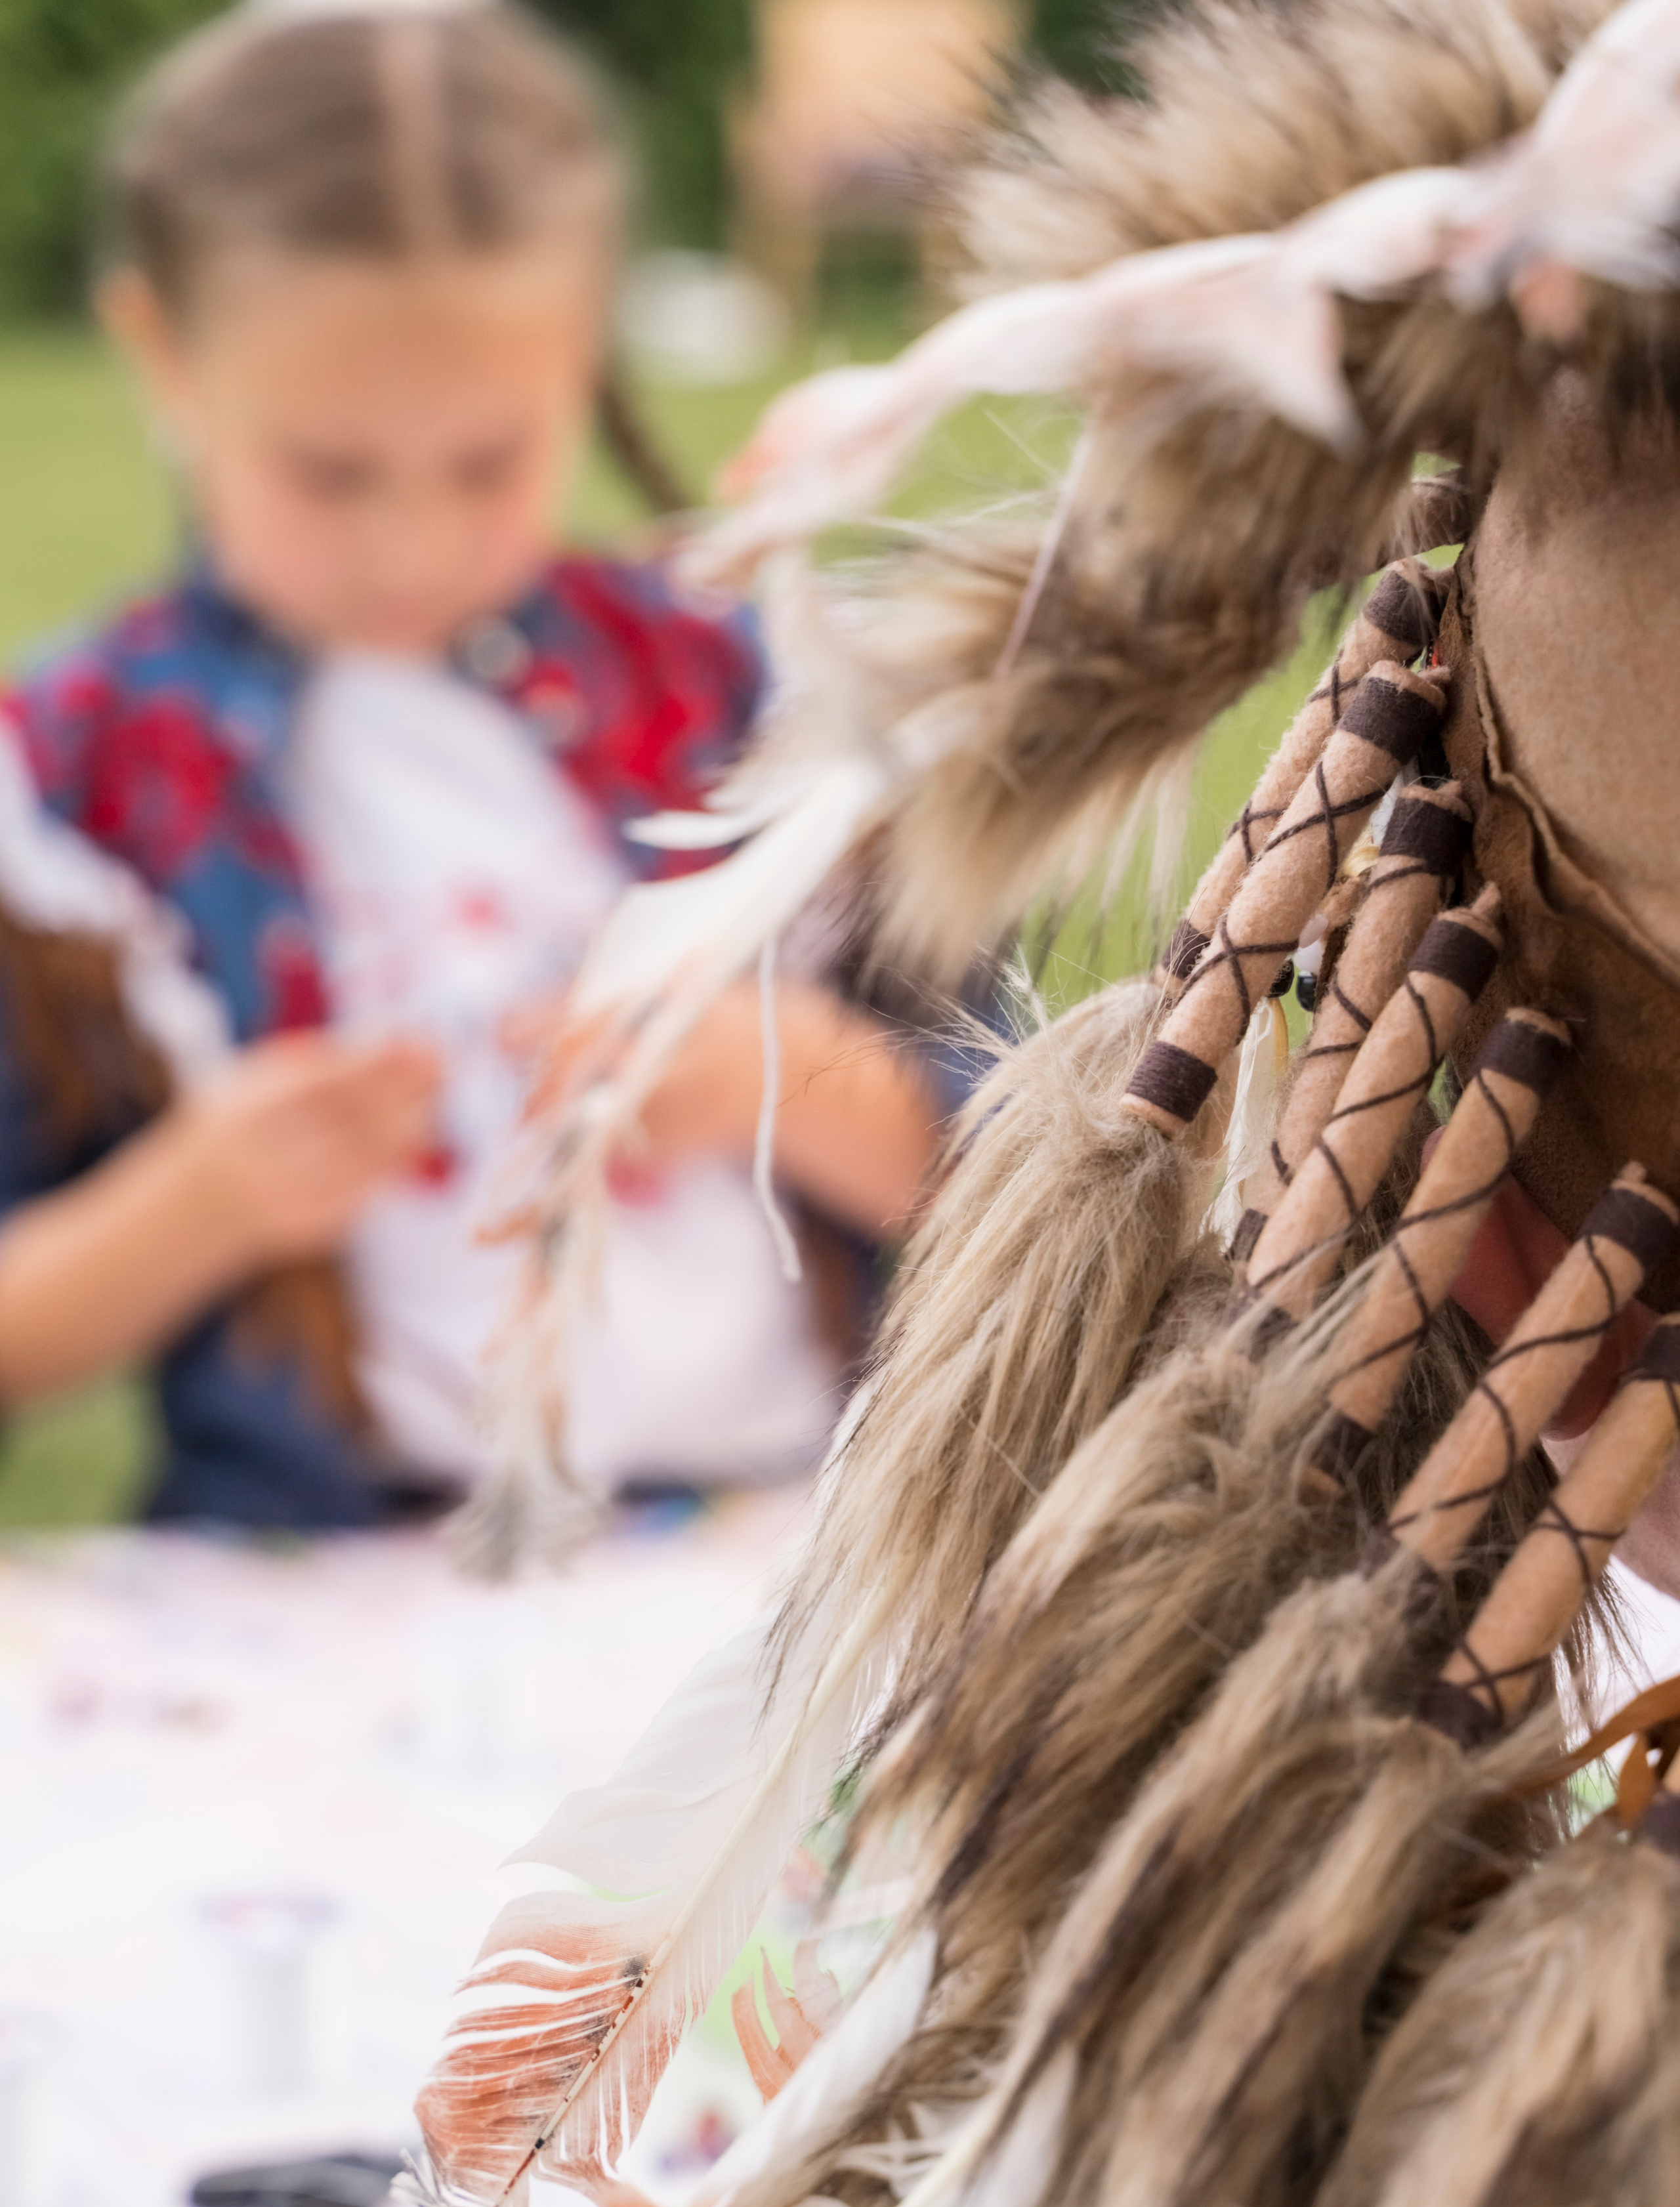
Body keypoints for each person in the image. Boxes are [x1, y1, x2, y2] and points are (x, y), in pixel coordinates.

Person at [0, 0, 961, 1529]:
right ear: (165, 357)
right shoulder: (75, 784)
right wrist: (197, 1203)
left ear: (578, 353)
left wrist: (785, 1080)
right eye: (328, 471)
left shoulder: (753, 697)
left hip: (788, 1558)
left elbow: (1060, 1179)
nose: (413, 540)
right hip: (320, 1598)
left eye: (487, 461)